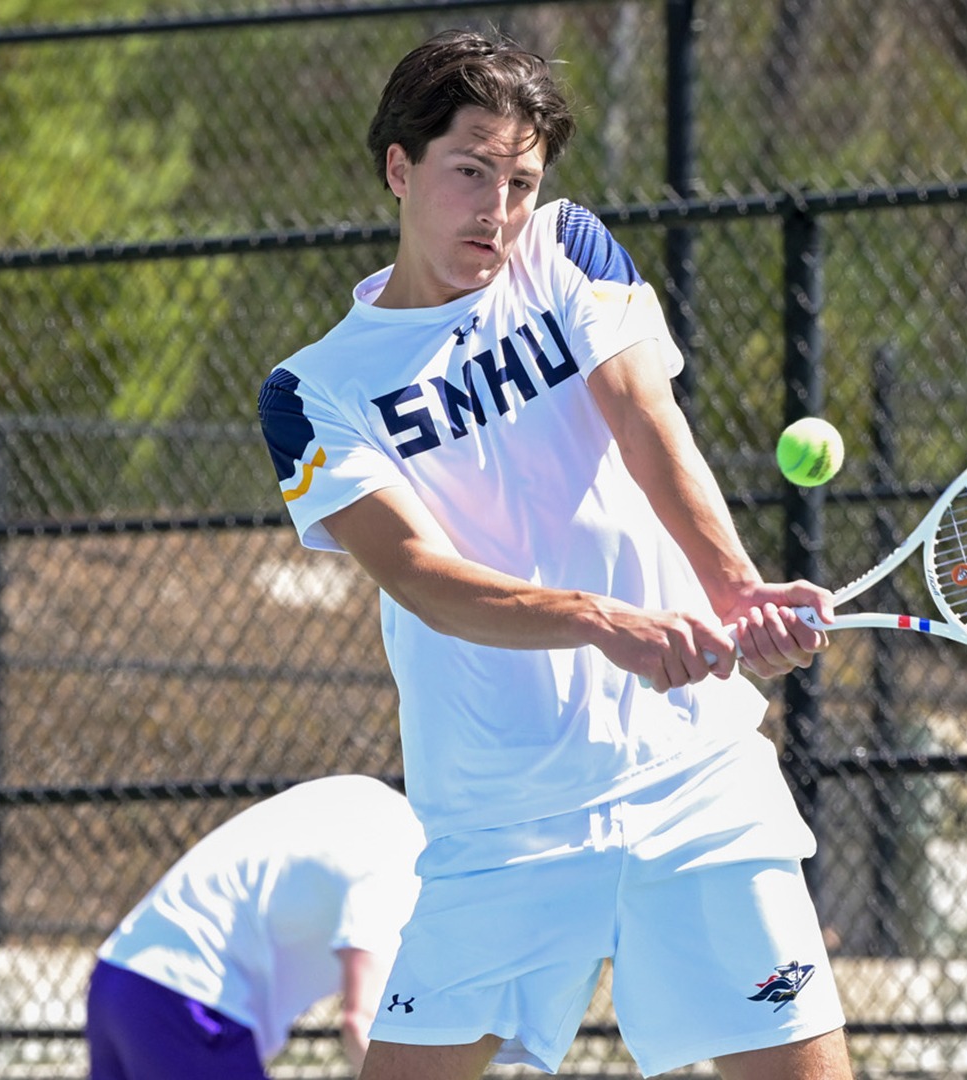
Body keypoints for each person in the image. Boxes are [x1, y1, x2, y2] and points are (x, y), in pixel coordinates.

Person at [256, 28, 851, 1080]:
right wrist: (605, 623)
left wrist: (735, 591)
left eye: (520, 180)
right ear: (401, 167)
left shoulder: (568, 247)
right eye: (470, 172)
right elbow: (421, 578)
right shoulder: (311, 392)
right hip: (500, 822)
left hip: (696, 781)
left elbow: (645, 421)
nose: (497, 209)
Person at [85, 774, 424, 1079]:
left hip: (117, 976)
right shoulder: (402, 860)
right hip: (189, 1003)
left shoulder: (370, 801)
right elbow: (362, 1020)